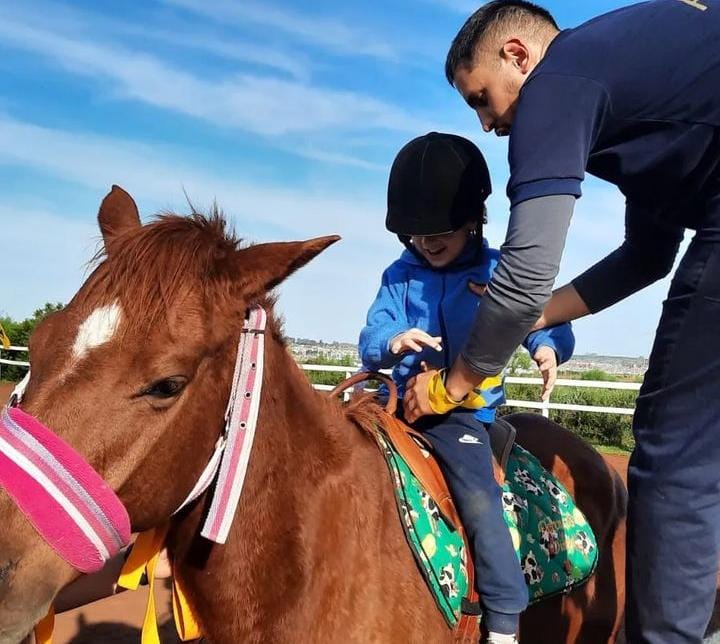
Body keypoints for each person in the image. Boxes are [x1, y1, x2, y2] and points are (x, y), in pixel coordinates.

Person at [403, 2, 720, 642]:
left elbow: (522, 276)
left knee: (675, 450)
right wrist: (533, 318)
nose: (489, 126)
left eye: (482, 100)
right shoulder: (635, 91)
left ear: (518, 55)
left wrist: (452, 383)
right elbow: (648, 255)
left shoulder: (559, 81)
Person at [360, 132, 575, 644]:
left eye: (442, 232)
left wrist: (547, 344)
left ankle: (503, 618)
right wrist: (392, 341)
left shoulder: (498, 269)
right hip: (396, 400)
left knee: (478, 498)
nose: (428, 243)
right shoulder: (398, 275)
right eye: (417, 234)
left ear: (473, 221)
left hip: (460, 414)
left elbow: (538, 315)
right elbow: (370, 335)